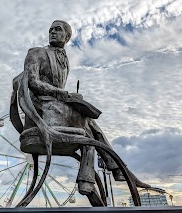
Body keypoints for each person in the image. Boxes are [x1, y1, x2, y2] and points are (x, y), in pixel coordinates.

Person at [22, 20, 149, 204]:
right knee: (88, 126)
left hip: (58, 111)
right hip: (42, 113)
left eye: (57, 30)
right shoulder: (37, 53)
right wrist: (59, 92)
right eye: (51, 30)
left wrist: (71, 97)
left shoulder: (65, 61)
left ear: (67, 36)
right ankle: (111, 172)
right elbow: (32, 82)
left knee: (88, 127)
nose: (52, 32)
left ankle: (96, 179)